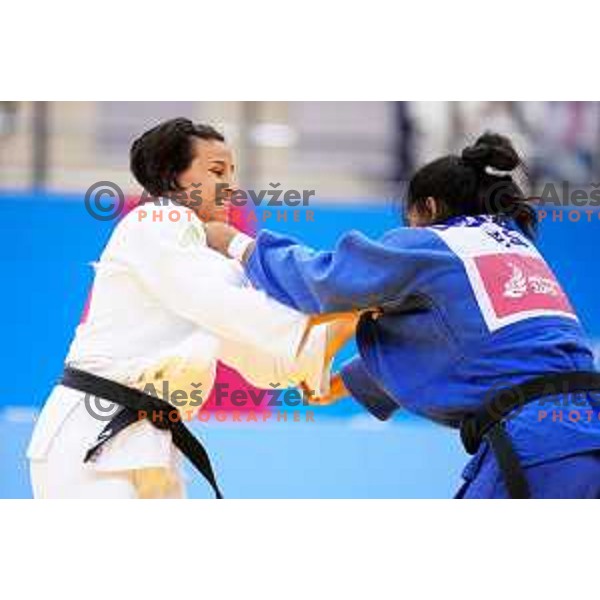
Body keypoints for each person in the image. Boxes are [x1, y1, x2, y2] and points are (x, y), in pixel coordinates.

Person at [204, 132, 600, 499]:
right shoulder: (517, 249)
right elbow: (463, 346)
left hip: (538, 449)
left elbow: (326, 282)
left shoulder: (434, 243)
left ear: (427, 207)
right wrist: (347, 384)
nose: (407, 230)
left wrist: (240, 245)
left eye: (408, 220)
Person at [27, 118, 355, 499]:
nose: (231, 185)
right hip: (88, 438)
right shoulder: (155, 220)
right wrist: (348, 299)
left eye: (233, 172)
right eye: (217, 171)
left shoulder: (207, 266)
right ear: (173, 178)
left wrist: (353, 319)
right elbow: (229, 307)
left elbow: (266, 361)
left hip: (151, 446)